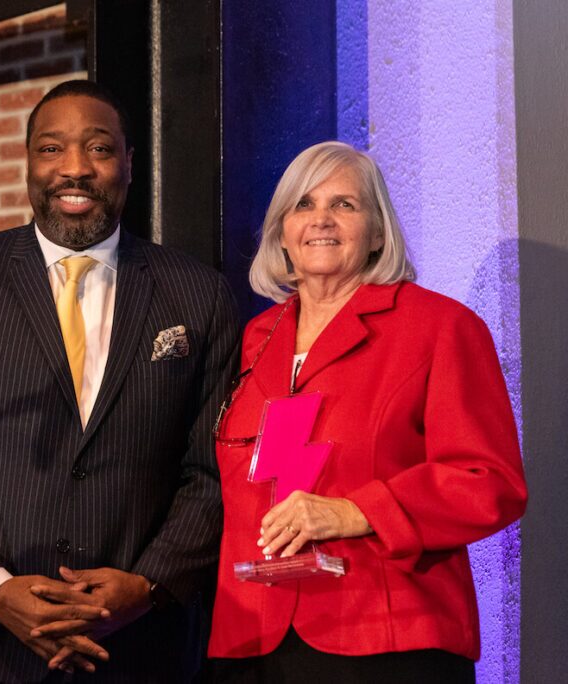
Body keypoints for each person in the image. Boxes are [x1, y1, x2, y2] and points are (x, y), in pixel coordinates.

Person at [0, 79, 240, 682]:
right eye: (51, 149)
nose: (74, 168)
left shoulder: (197, 293)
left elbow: (211, 468)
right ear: (28, 162)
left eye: (98, 148)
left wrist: (148, 585)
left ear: (129, 162)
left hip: (140, 650)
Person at [207, 141, 527, 681]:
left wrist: (355, 512)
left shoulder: (439, 327)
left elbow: (490, 481)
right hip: (254, 640)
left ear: (378, 232)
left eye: (345, 205)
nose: (321, 220)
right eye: (303, 205)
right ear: (281, 231)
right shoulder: (255, 339)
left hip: (386, 635)